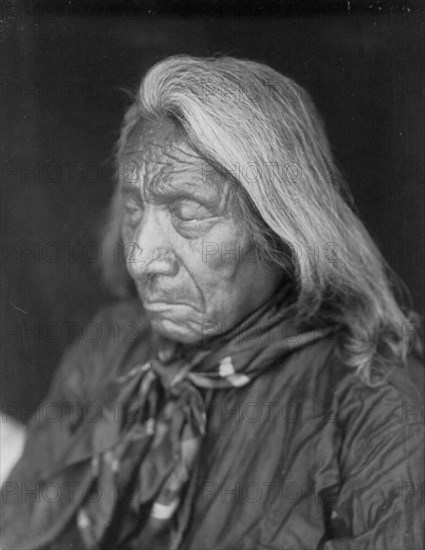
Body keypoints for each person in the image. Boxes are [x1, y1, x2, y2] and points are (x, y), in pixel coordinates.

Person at [1, 55, 423, 550]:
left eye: (187, 213)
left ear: (281, 228)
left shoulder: (377, 406)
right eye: (135, 210)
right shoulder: (113, 342)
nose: (140, 258)